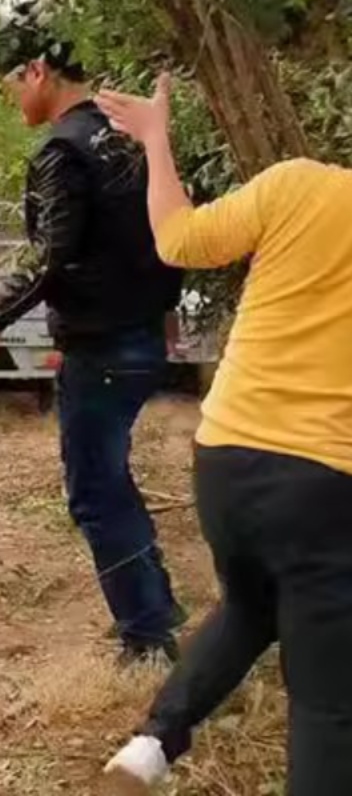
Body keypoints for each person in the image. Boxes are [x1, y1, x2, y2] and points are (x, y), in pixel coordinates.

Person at [97, 77, 352, 796]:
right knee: (331, 703)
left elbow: (178, 239)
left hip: (227, 458)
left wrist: (154, 138)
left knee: (253, 604)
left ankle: (150, 746)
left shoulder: (297, 185)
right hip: (326, 481)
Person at [0, 16, 183, 665]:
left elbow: (53, 256)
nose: (11, 101)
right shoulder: (124, 138)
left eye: (9, 86)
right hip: (142, 336)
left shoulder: (64, 152)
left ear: (36, 72)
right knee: (112, 480)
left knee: (95, 491)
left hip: (104, 348)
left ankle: (146, 638)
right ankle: (153, 608)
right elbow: (165, 232)